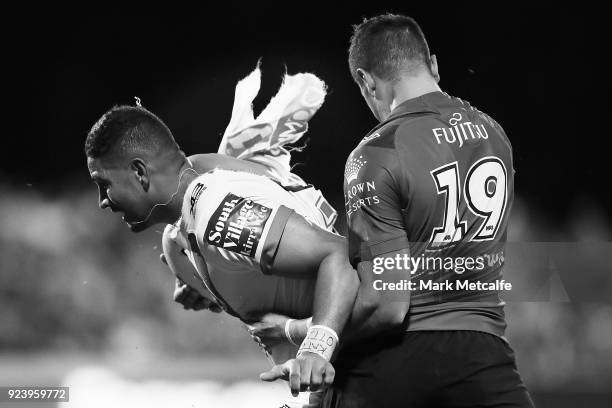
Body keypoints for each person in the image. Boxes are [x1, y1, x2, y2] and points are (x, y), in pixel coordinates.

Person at [314, 13, 534, 408]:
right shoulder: (493, 134)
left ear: (366, 81)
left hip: (395, 364)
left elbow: (387, 305)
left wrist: (313, 332)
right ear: (432, 63)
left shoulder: (375, 154)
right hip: (485, 357)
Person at [84, 101, 358, 405]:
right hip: (332, 383)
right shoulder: (186, 221)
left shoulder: (215, 215)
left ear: (139, 171)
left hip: (361, 374)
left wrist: (312, 347)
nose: (102, 201)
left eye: (103, 184)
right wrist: (212, 287)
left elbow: (338, 255)